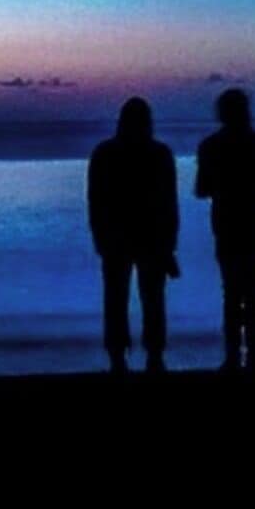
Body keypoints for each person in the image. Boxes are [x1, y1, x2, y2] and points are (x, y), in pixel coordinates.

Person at [88, 96, 179, 374]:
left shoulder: (104, 153)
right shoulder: (160, 154)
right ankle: (154, 355)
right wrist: (169, 245)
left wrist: (100, 237)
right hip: (151, 237)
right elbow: (168, 203)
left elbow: (95, 201)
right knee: (152, 298)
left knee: (116, 298)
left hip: (116, 237)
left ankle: (118, 356)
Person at [193, 88, 255, 370]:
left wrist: (225, 188)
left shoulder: (209, 146)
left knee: (231, 290)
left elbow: (201, 189)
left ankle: (232, 356)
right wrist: (254, 190)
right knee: (253, 290)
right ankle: (253, 355)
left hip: (226, 222)